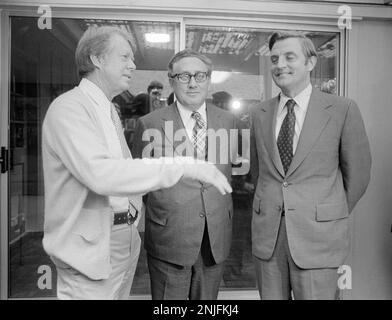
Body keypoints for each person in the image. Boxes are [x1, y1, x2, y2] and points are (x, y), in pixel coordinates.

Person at [41, 26, 232, 300]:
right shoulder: (69, 108)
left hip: (120, 245)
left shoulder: (107, 109)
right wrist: (183, 165)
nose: (133, 65)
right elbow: (101, 174)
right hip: (90, 252)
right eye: (125, 57)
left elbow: (126, 174)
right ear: (97, 58)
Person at [250, 31, 371, 300]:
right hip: (269, 238)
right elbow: (259, 173)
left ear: (311, 63)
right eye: (274, 59)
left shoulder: (342, 110)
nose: (279, 64)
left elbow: (359, 176)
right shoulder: (259, 114)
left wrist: (327, 211)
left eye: (289, 57)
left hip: (319, 237)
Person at [132, 49, 238, 300]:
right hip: (170, 236)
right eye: (184, 76)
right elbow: (141, 181)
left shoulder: (228, 122)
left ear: (209, 79)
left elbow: (228, 172)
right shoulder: (149, 124)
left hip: (215, 236)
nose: (193, 83)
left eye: (200, 75)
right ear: (171, 80)